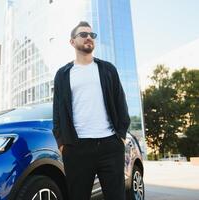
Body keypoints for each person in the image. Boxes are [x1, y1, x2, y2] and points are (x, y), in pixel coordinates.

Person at [52, 21, 130, 200]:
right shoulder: (63, 74)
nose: (89, 37)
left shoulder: (107, 69)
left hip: (110, 145)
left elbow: (121, 103)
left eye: (91, 35)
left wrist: (121, 136)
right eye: (83, 34)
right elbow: (57, 112)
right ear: (72, 42)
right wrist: (62, 144)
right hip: (76, 148)